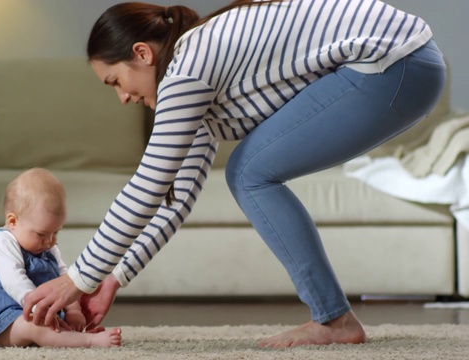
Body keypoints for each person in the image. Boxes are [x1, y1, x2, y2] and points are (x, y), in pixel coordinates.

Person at [22, 0, 447, 348]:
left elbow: (148, 185)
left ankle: (334, 321)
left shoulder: (187, 69)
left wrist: (78, 277)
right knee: (248, 171)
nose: (123, 98)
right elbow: (176, 195)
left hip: (394, 65)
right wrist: (114, 277)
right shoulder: (199, 79)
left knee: (248, 173)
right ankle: (334, 317)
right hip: (407, 63)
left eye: (116, 81)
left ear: (142, 53)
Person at [0, 167, 122, 348]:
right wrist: (41, 309)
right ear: (13, 221)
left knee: (48, 325)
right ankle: (89, 341)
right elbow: (15, 283)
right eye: (42, 234)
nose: (50, 241)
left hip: (37, 312)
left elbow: (66, 280)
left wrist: (73, 310)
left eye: (56, 232)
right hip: (0, 324)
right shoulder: (1, 242)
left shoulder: (48, 246)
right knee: (34, 327)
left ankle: (71, 336)